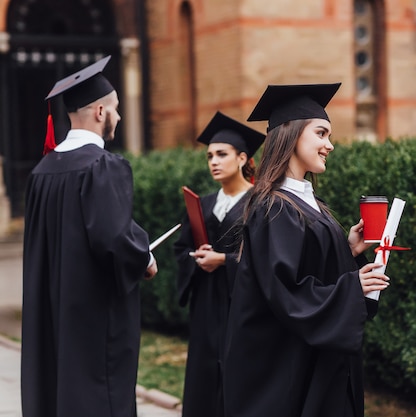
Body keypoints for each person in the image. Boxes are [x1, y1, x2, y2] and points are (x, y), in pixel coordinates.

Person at [222, 83, 390, 417]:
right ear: (292, 134)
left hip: (311, 361)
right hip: (285, 367)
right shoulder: (275, 207)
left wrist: (350, 252)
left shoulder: (305, 201)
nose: (330, 144)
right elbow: (285, 290)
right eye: (321, 133)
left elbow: (309, 268)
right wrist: (352, 287)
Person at [21, 55, 158, 417]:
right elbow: (113, 240)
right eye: (115, 109)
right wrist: (144, 257)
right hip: (94, 319)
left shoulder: (41, 173)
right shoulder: (103, 166)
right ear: (100, 111)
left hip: (53, 312)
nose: (119, 116)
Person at [173, 111, 265, 417]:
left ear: (241, 158)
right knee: (203, 380)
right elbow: (182, 247)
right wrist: (195, 258)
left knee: (237, 377)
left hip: (240, 305)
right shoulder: (203, 204)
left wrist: (224, 260)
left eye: (221, 154)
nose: (213, 161)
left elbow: (267, 258)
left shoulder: (260, 204)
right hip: (206, 308)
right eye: (210, 155)